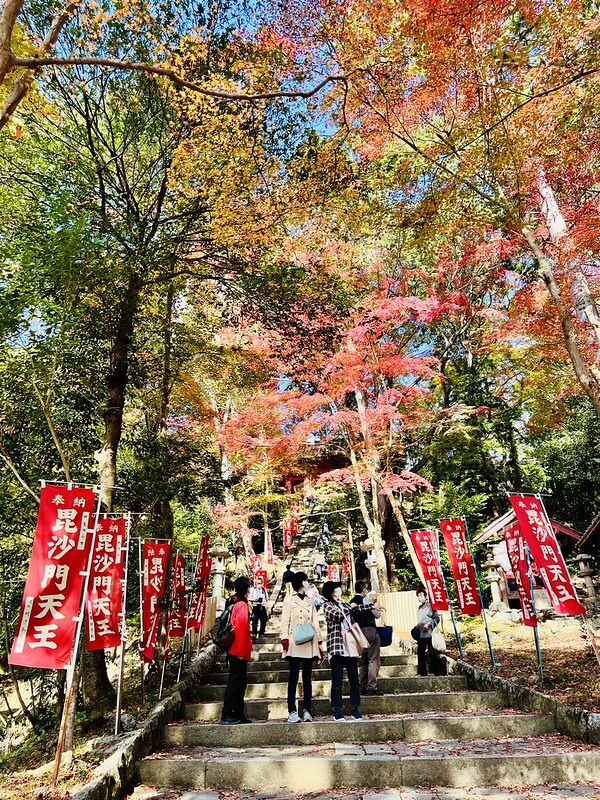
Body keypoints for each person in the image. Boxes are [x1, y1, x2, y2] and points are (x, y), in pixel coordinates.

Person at [280, 571, 323, 723]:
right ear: (300, 583)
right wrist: (284, 637)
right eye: (305, 581)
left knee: (307, 679)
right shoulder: (289, 600)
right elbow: (285, 620)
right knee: (293, 678)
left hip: (309, 641)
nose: (307, 584)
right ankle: (292, 711)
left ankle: (307, 710)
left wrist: (319, 642)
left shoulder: (310, 602)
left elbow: (315, 623)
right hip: (294, 641)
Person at [321, 580, 362, 721]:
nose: (339, 590)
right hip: (336, 647)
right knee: (337, 681)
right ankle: (337, 710)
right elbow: (338, 616)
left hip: (350, 647)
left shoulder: (345, 604)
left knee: (354, 679)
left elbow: (358, 608)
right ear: (332, 592)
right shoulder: (327, 606)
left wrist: (372, 606)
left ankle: (355, 708)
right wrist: (351, 607)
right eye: (337, 588)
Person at [220, 576, 253, 725]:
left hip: (236, 650)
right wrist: (242, 653)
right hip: (237, 651)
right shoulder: (242, 605)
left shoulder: (236, 603)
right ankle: (228, 714)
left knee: (240, 683)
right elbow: (241, 629)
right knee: (235, 683)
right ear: (246, 589)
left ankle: (238, 713)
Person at [350, 580, 383, 695]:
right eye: (366, 589)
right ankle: (372, 686)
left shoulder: (351, 602)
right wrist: (376, 605)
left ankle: (362, 686)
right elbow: (377, 614)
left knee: (363, 661)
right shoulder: (366, 600)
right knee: (373, 659)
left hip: (358, 633)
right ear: (363, 590)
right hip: (370, 630)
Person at [415, 587, 442, 677]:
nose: (420, 597)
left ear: (425, 596)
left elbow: (436, 618)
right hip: (421, 634)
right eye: (419, 595)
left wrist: (429, 624)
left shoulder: (431, 606)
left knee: (432, 653)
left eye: (422, 595)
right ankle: (421, 672)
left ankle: (434, 671)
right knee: (420, 652)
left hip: (430, 633)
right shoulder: (419, 608)